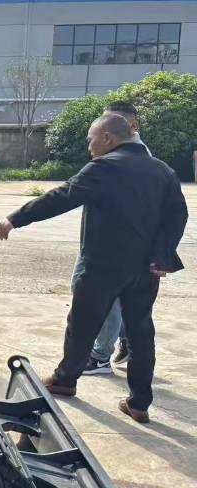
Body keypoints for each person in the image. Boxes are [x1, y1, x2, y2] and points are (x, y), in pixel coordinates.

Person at [0, 113, 188, 423]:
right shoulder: (162, 170)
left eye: (90, 139)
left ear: (108, 138)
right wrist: (162, 256)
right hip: (145, 270)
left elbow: (62, 196)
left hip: (103, 265)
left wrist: (15, 218)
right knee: (140, 332)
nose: (89, 146)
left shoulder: (105, 167)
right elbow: (178, 214)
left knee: (82, 324)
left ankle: (66, 380)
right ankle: (139, 402)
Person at [74, 101, 149, 375]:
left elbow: (67, 195)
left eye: (117, 121)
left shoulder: (133, 159)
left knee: (106, 300)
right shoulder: (119, 155)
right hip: (112, 246)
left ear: (132, 125)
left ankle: (100, 355)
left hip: (114, 248)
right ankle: (125, 342)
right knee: (120, 301)